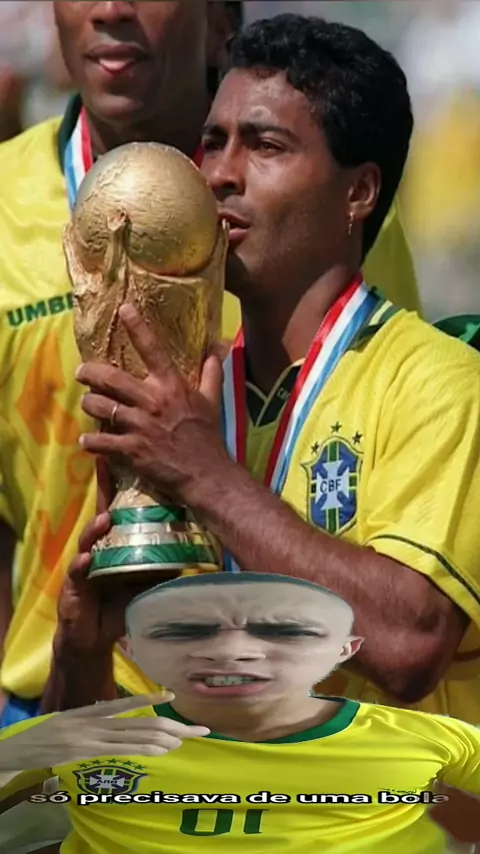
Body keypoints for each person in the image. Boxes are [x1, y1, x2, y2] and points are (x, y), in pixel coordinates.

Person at [49, 14, 480, 727]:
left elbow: (410, 643)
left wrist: (207, 477)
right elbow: (86, 760)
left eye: (265, 145)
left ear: (359, 193)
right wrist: (81, 648)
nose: (219, 173)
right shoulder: (183, 401)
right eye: (214, 141)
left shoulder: (439, 382)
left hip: (383, 800)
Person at [1, 573, 480, 854]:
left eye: (285, 631)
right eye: (187, 630)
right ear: (132, 648)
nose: (233, 653)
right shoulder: (73, 738)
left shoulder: (431, 739)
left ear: (345, 649)